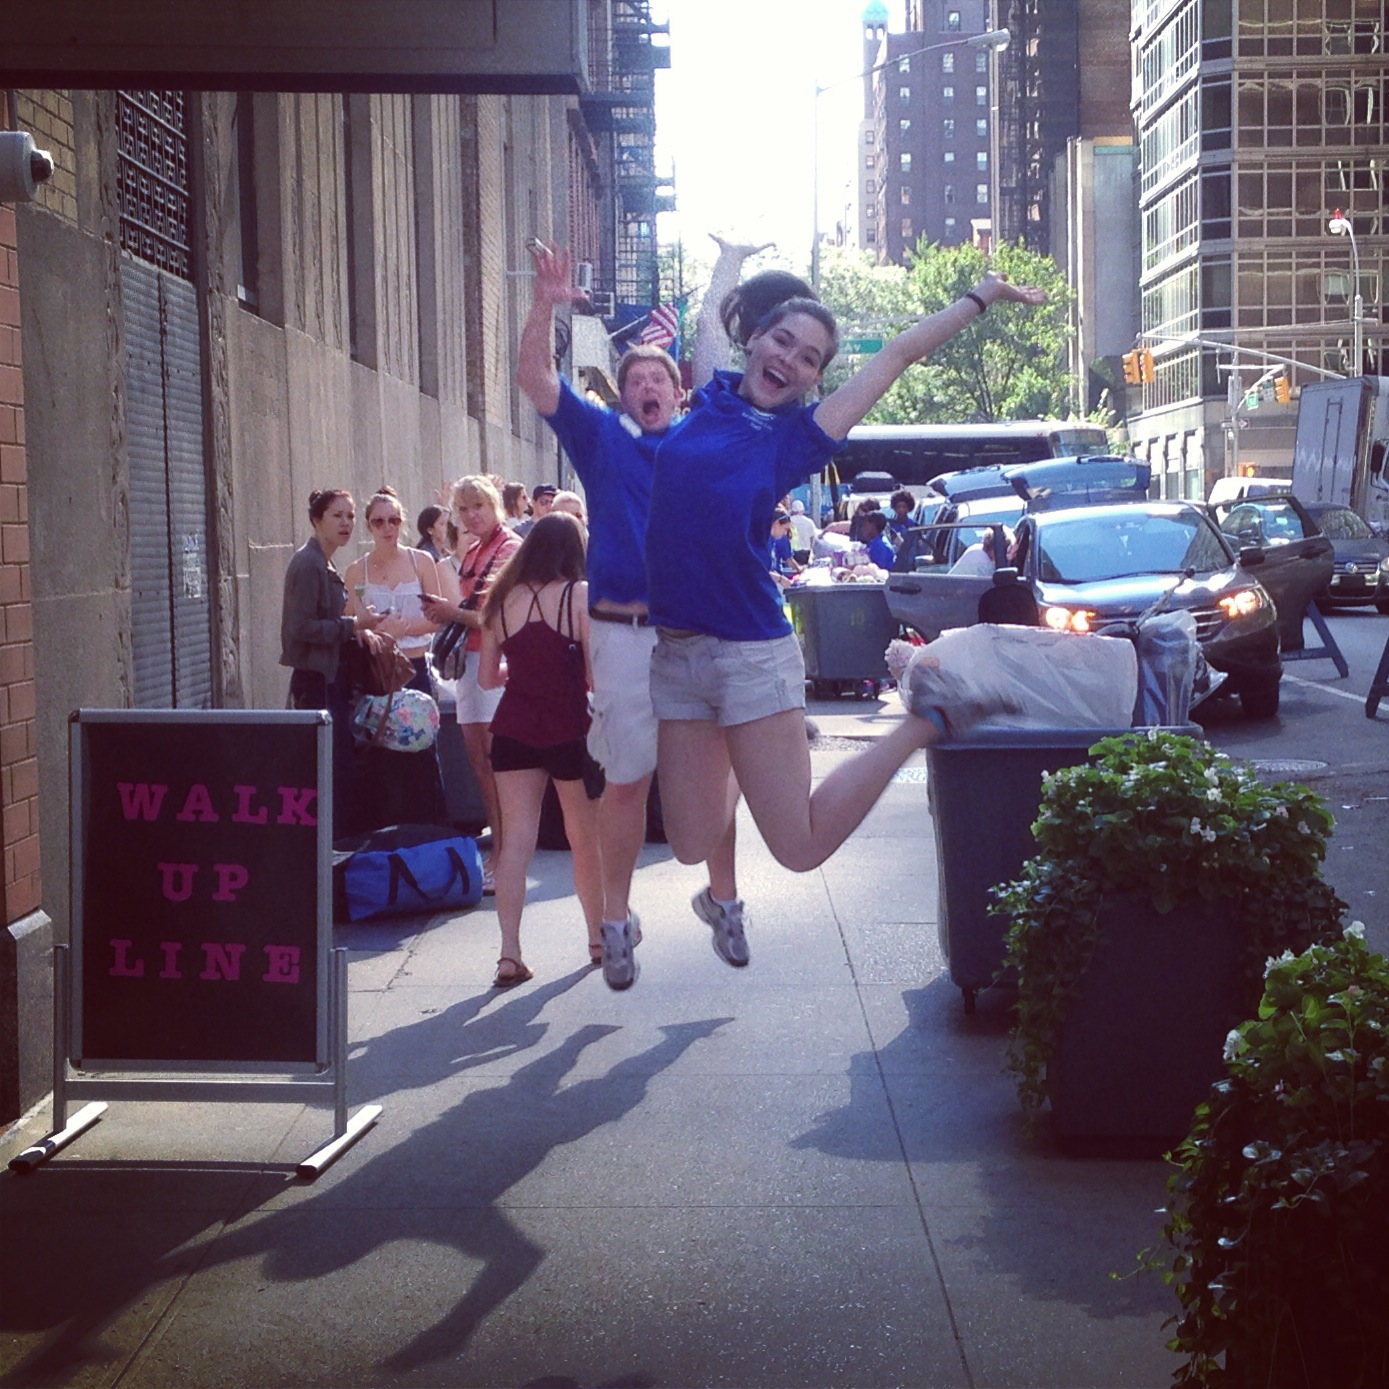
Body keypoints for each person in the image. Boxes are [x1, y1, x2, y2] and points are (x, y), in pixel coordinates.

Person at [644, 269, 1047, 881]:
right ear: (753, 339)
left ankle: (922, 725)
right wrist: (727, 258)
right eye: (781, 341)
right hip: (675, 658)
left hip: (748, 654)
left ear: (815, 379)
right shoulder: (708, 399)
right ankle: (742, 748)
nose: (790, 359)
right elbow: (707, 326)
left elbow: (899, 353)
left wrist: (984, 295)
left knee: (797, 849)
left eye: (809, 359)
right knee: (689, 844)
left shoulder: (799, 438)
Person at [517, 239, 740, 990]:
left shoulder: (697, 438)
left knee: (714, 778)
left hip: (693, 632)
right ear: (621, 395)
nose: (649, 385)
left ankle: (725, 898)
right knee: (626, 784)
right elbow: (533, 377)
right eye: (635, 378)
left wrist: (726, 270)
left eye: (659, 378)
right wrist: (545, 301)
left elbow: (718, 359)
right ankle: (615, 922)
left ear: (676, 393)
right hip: (618, 632)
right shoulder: (603, 438)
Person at [477, 512, 604, 988]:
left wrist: (522, 673)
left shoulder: (500, 600)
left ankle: (509, 953)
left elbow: (488, 678)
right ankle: (596, 939)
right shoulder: (578, 596)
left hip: (513, 726)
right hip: (568, 726)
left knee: (514, 845)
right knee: (583, 841)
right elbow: (594, 674)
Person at [421, 475, 522, 892]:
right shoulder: (475, 549)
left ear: (494, 505)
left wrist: (449, 613)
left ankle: (507, 853)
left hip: (493, 662)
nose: (470, 515)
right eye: (463, 509)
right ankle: (501, 849)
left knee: (496, 762)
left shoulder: (509, 548)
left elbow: (497, 616)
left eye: (477, 505)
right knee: (479, 760)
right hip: (471, 663)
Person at [279, 488, 381, 833]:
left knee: (340, 770)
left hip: (331, 678)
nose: (346, 523)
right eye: (337, 515)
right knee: (328, 771)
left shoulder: (325, 562)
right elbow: (299, 628)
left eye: (351, 516)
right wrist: (353, 625)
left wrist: (358, 630)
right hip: (316, 681)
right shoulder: (308, 564)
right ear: (316, 520)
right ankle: (330, 851)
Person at [343, 487, 440, 695]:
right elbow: (348, 622)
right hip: (376, 668)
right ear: (369, 526)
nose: (387, 528)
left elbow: (437, 618)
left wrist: (402, 628)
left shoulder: (421, 562)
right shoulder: (357, 571)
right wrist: (380, 633)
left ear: (401, 523)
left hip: (416, 665)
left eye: (393, 520)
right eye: (379, 522)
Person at [787, 498, 817, 562]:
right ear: (803, 510)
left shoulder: (788, 521)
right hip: (806, 552)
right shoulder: (809, 522)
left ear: (792, 510)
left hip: (792, 552)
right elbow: (813, 538)